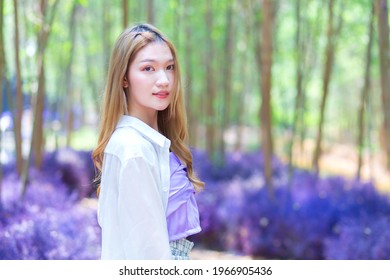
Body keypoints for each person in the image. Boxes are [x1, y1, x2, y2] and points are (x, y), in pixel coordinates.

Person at [92, 23, 204, 260]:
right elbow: (147, 256)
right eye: (148, 68)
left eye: (169, 67)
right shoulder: (133, 148)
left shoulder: (153, 144)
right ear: (124, 78)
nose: (164, 80)